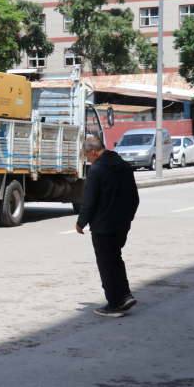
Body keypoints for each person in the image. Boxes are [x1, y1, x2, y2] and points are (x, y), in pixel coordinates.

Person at [76, 136, 140, 317]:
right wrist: (128, 219)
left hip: (103, 227)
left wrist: (81, 223)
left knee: (106, 263)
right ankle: (125, 295)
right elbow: (135, 199)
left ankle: (114, 304)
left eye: (87, 156)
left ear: (93, 151)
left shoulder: (96, 171)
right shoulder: (125, 167)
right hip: (121, 226)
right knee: (116, 259)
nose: (88, 159)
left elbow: (89, 202)